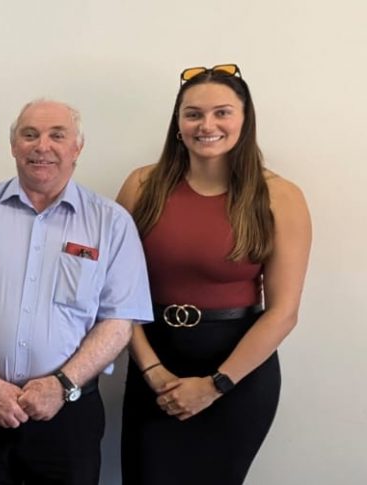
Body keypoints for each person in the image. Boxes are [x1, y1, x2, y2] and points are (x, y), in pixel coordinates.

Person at [0, 99, 153, 485]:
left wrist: (61, 386)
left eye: (56, 135)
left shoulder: (111, 223)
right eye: (29, 135)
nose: (41, 146)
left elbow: (118, 322)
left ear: (77, 148)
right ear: (13, 145)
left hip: (69, 416)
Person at [117, 64, 312, 485]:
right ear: (178, 124)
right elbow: (115, 293)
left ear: (245, 119)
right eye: (193, 114)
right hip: (154, 366)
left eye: (222, 112)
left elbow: (283, 312)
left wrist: (215, 385)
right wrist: (153, 372)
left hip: (238, 375)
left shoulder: (280, 197)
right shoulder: (141, 185)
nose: (207, 125)